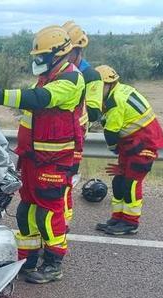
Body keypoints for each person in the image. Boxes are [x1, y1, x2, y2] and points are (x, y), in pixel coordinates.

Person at [0, 26, 84, 284]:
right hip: (34, 159)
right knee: (26, 211)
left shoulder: (70, 79)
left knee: (48, 212)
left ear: (59, 54)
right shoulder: (48, 76)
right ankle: (28, 258)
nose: (38, 61)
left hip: (54, 162)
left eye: (42, 56)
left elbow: (37, 99)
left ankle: (54, 264)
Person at [94, 65, 163, 235]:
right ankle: (118, 217)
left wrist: (114, 149)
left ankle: (130, 222)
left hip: (143, 145)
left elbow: (111, 133)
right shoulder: (117, 91)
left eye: (97, 88)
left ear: (107, 84)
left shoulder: (115, 102)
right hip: (131, 145)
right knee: (119, 181)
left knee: (131, 184)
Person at [61, 20, 103, 226]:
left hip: (73, 140)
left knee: (64, 185)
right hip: (54, 139)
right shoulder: (58, 73)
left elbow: (94, 112)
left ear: (78, 51)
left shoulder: (90, 75)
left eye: (68, 52)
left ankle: (62, 229)